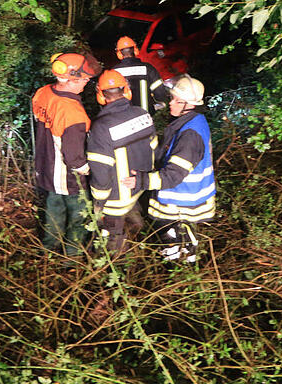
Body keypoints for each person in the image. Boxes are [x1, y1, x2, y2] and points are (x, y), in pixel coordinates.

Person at [125, 74, 214, 263]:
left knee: (173, 232)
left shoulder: (190, 134)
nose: (170, 103)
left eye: (176, 100)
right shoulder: (193, 121)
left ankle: (183, 265)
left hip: (182, 198)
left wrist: (142, 180)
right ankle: (180, 260)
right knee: (176, 233)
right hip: (187, 195)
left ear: (188, 104)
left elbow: (174, 175)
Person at [32, 52, 100, 256]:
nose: (86, 83)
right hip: (68, 177)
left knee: (53, 210)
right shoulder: (72, 112)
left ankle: (48, 249)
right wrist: (89, 171)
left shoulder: (43, 92)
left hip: (46, 168)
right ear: (71, 79)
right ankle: (72, 258)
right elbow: (73, 157)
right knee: (79, 216)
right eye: (84, 79)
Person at [87, 70, 158, 254]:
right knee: (135, 230)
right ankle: (139, 261)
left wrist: (98, 202)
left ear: (101, 95)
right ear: (127, 90)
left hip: (116, 200)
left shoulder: (102, 128)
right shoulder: (143, 114)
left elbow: (101, 172)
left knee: (112, 243)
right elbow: (155, 150)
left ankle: (118, 273)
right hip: (139, 188)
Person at [111, 35, 168, 111]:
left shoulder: (114, 72)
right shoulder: (148, 68)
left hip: (124, 116)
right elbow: (160, 94)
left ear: (119, 54)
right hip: (146, 115)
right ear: (135, 50)